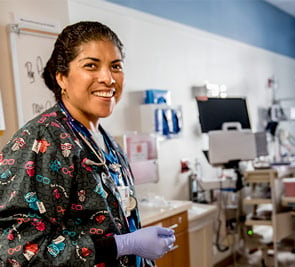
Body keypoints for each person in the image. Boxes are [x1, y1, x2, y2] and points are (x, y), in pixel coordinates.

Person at [0, 21, 175, 266]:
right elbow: (16, 252)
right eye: (91, 65)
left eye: (116, 66)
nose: (108, 78)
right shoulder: (42, 140)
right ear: (62, 77)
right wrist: (121, 245)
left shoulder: (103, 140)